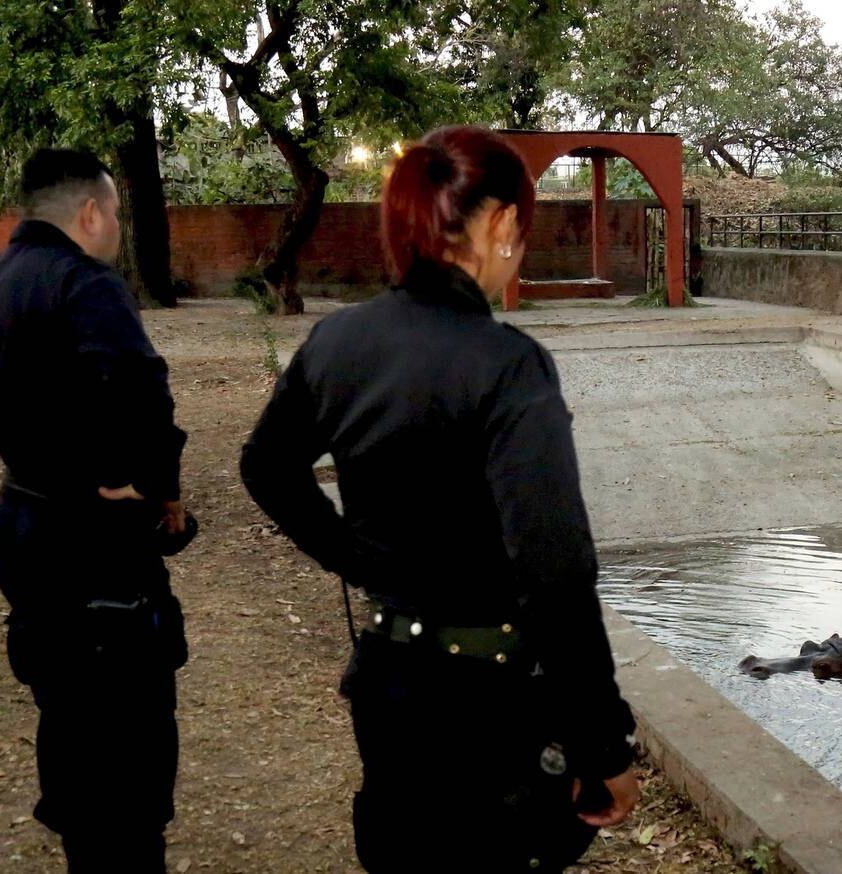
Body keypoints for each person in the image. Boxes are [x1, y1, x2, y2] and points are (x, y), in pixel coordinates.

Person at [239, 125, 640, 871]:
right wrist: (602, 742)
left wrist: (356, 558)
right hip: (490, 712)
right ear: (500, 224)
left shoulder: (338, 342)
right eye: (520, 228)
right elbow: (554, 568)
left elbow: (267, 466)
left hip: (389, 690)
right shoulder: (510, 366)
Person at [0, 149, 192, 873]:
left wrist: (10, 434)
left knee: (64, 698)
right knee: (125, 730)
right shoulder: (84, 282)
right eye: (117, 213)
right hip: (91, 538)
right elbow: (140, 388)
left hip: (24, 523)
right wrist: (148, 483)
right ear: (89, 213)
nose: (118, 228)